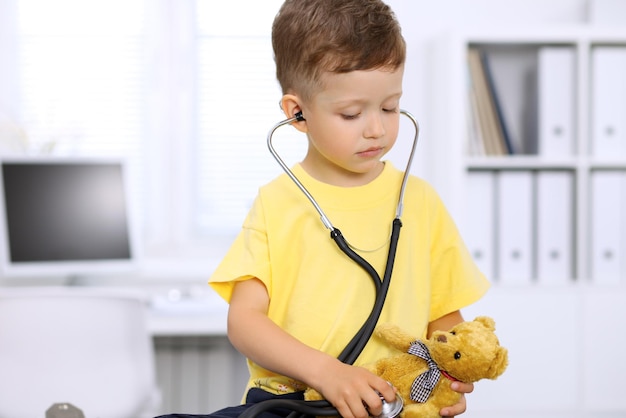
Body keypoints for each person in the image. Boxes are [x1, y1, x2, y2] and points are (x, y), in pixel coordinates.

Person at [157, 1, 489, 418]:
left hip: (393, 403)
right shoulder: (277, 203)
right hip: (292, 403)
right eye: (351, 113)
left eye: (390, 106)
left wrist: (450, 368)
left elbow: (445, 317)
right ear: (297, 113)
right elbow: (244, 322)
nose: (376, 128)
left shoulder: (419, 201)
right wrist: (326, 373)